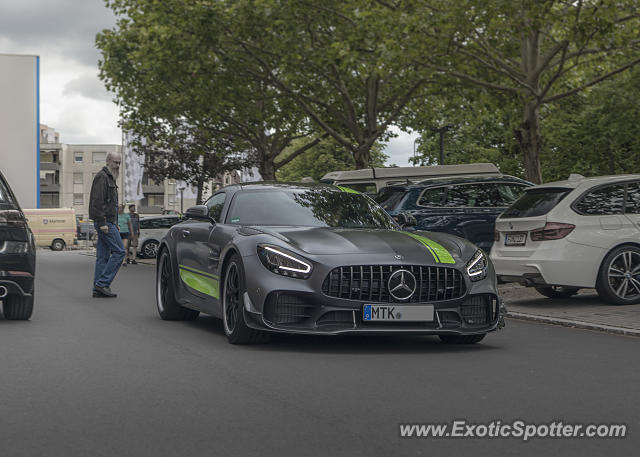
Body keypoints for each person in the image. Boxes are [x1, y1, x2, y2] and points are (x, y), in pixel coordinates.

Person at [89, 151, 125, 298]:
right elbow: (97, 201)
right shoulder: (102, 177)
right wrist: (103, 222)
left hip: (109, 221)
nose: (117, 165)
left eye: (119, 163)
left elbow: (112, 203)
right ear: (108, 161)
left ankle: (98, 288)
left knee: (102, 256)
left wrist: (115, 222)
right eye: (115, 162)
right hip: (104, 222)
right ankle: (102, 283)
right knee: (119, 252)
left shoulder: (110, 177)